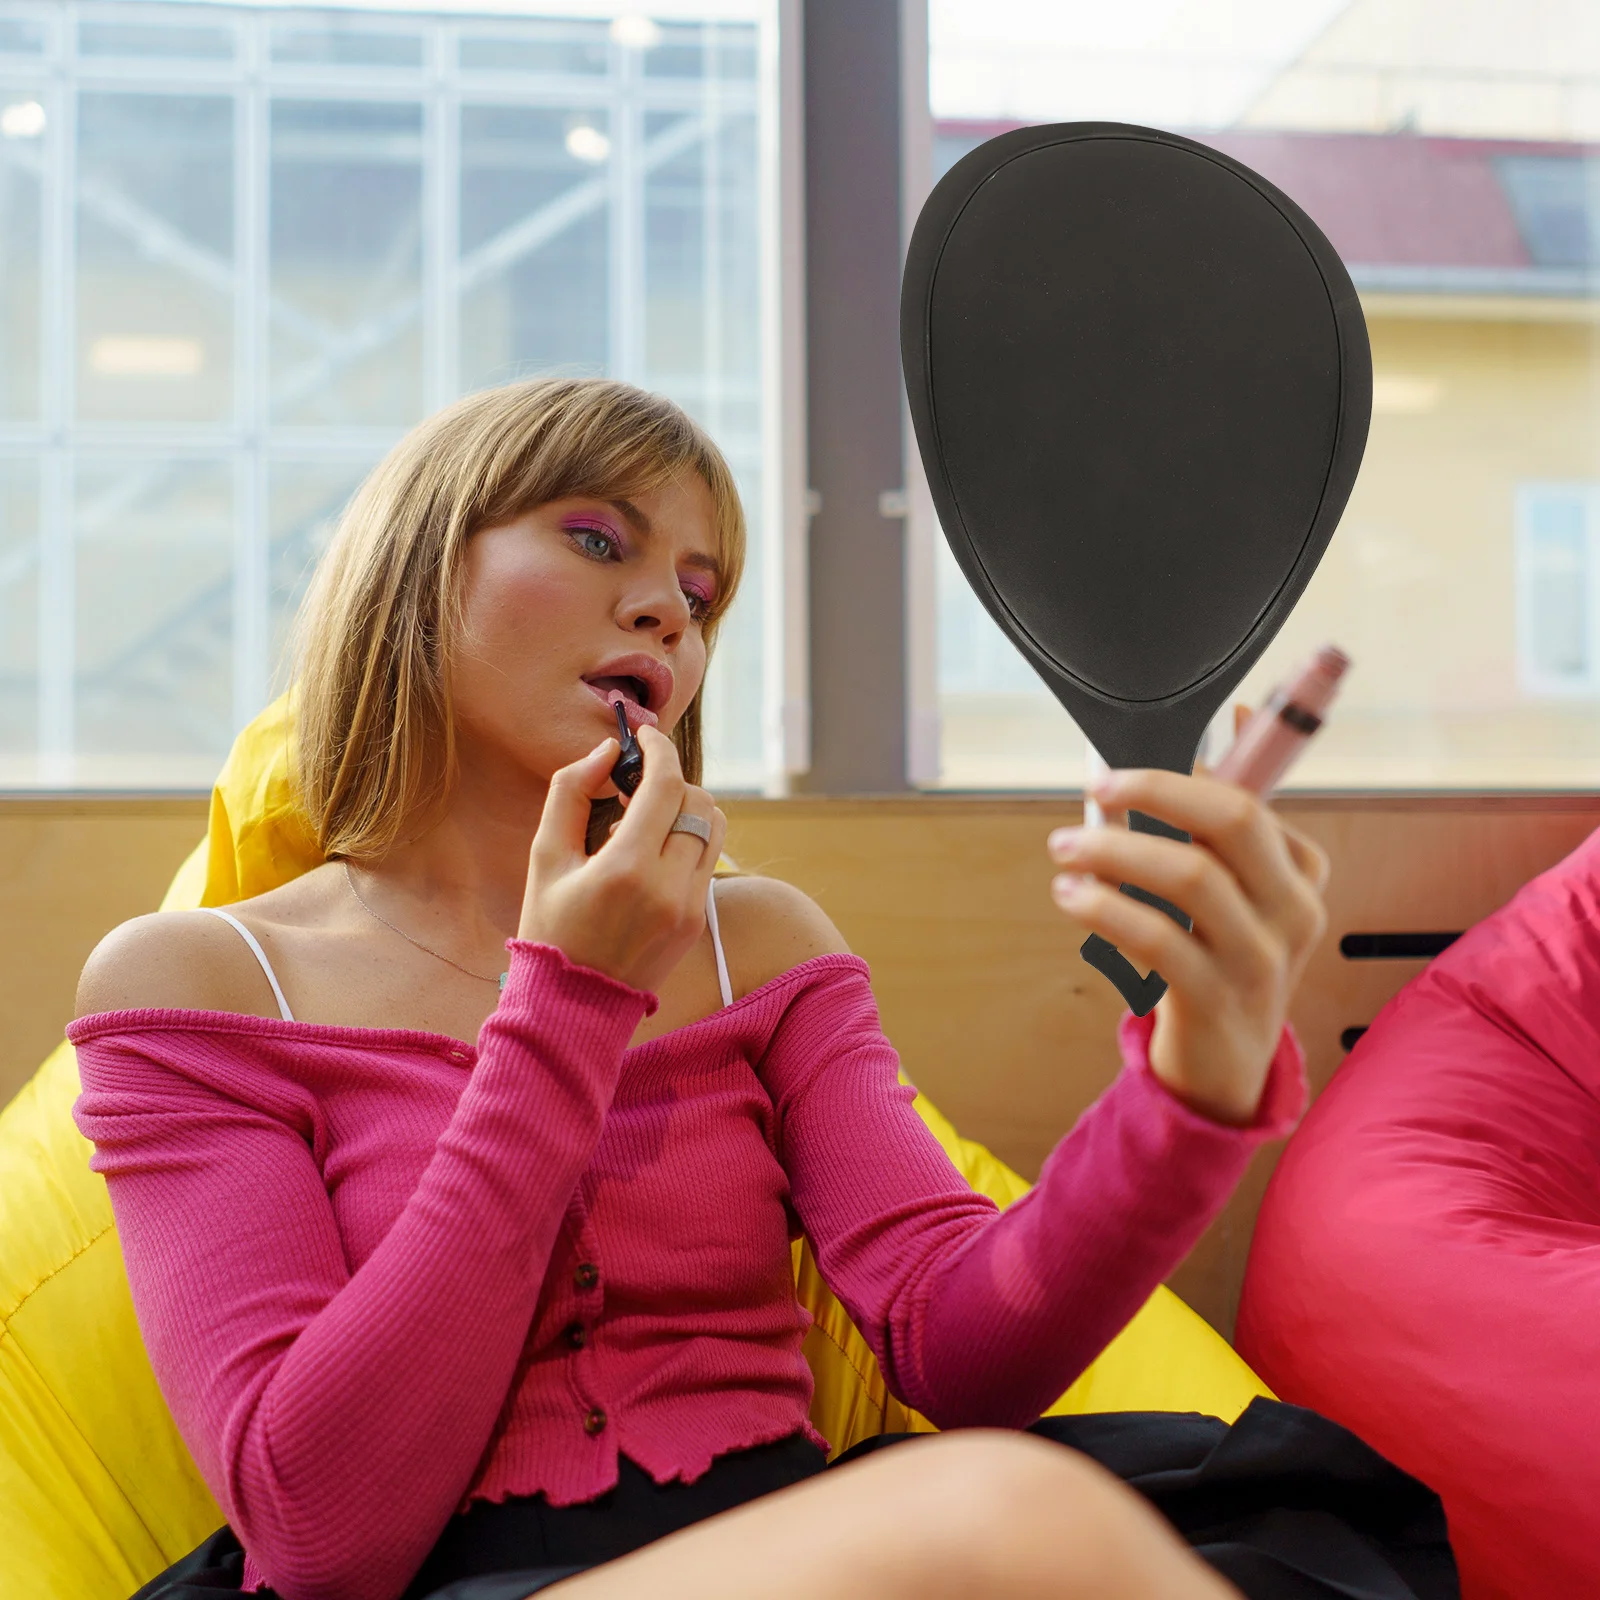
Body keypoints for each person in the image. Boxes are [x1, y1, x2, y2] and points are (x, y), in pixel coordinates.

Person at [69, 378, 1328, 1600]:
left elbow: (958, 1346)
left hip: (812, 1552)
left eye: (700, 591)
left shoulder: (758, 945)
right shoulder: (195, 985)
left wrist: (1191, 1093)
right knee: (1017, 1514)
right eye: (594, 538)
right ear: (418, 566)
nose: (665, 611)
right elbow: (322, 1534)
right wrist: (570, 1006)